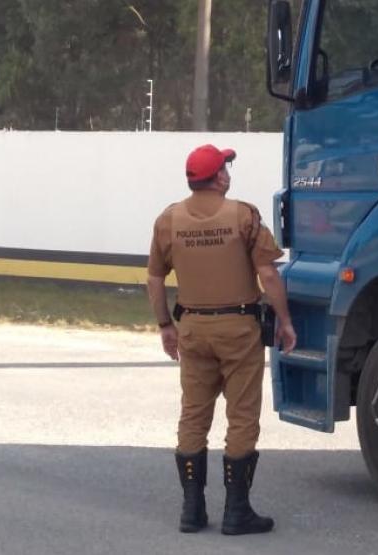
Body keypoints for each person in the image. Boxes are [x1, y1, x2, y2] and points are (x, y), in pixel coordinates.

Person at [146, 144, 297, 536]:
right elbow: (268, 274)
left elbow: (155, 278)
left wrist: (165, 325)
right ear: (220, 177)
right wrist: (284, 320)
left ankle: (192, 510)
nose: (229, 173)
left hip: (193, 329)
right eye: (226, 167)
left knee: (193, 416)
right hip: (238, 329)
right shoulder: (243, 216)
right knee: (242, 417)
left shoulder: (169, 220)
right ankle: (237, 511)